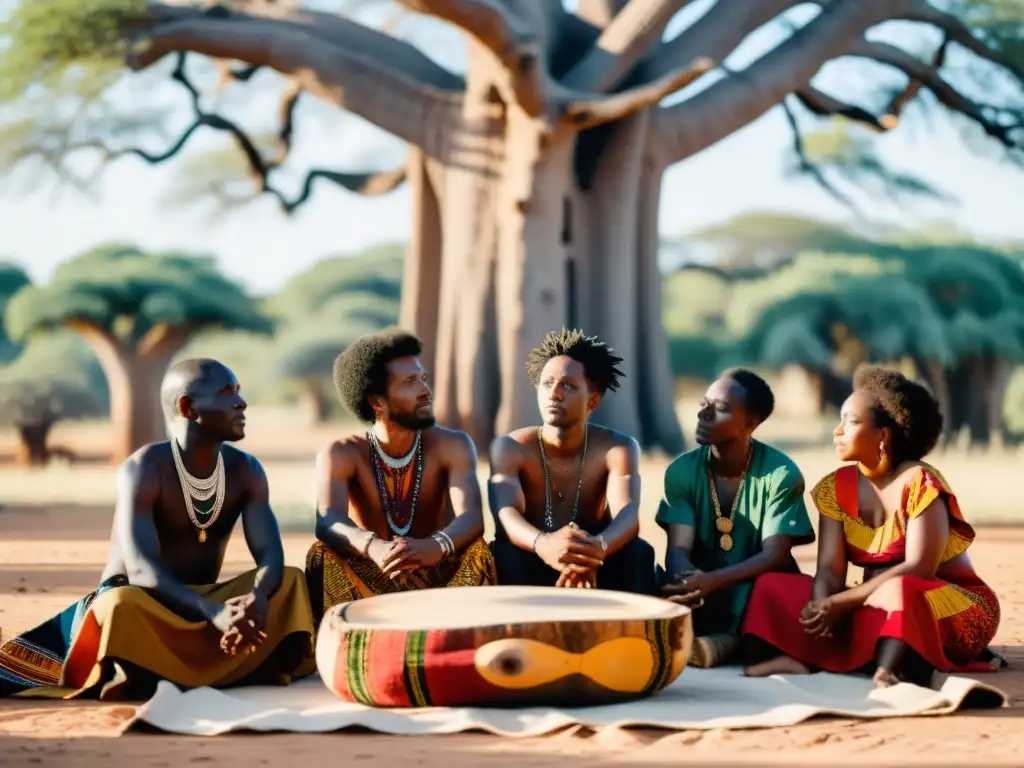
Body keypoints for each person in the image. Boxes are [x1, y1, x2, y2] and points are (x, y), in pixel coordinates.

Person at [0, 359, 316, 700]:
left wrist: (256, 599)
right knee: (117, 604)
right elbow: (140, 570)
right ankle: (183, 671)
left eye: (238, 392)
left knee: (290, 580)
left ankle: (182, 671)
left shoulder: (245, 469)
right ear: (187, 407)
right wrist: (214, 613)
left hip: (207, 601)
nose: (241, 403)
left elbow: (270, 555)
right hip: (150, 605)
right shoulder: (145, 468)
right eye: (227, 393)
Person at [743, 365, 1004, 688]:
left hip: (952, 607)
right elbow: (829, 569)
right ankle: (808, 657)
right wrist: (823, 607)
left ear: (883, 435)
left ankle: (887, 669)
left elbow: (920, 568)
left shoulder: (921, 482)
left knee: (898, 588)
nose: (837, 431)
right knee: (773, 585)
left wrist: (840, 604)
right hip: (876, 601)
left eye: (850, 421)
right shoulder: (835, 488)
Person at [305, 328, 495, 622]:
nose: (425, 390)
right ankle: (347, 642)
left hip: (438, 576)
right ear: (377, 403)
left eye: (423, 379)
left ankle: (462, 638)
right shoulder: (342, 453)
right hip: (375, 574)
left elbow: (471, 518)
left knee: (478, 552)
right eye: (410, 382)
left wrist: (435, 546)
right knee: (322, 555)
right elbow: (328, 520)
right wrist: (374, 547)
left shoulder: (452, 445)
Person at [656, 369, 815, 668]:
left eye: (721, 408)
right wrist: (686, 580)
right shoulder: (680, 472)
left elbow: (774, 556)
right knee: (653, 580)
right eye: (704, 402)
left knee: (777, 590)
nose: (704, 413)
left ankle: (731, 644)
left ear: (750, 423)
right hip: (704, 589)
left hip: (755, 586)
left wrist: (714, 581)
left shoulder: (780, 474)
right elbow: (678, 548)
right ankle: (726, 643)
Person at [489, 328, 656, 593]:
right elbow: (506, 514)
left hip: (594, 559)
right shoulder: (511, 447)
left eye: (568, 385)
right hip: (533, 554)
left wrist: (595, 550)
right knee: (502, 552)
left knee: (639, 553)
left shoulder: (617, 448)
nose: (554, 393)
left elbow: (628, 514)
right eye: (547, 383)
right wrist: (544, 545)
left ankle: (636, 633)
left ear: (593, 401)